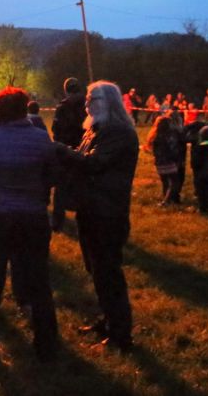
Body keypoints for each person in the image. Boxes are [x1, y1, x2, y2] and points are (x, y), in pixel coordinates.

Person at [0, 87, 60, 364]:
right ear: (25, 109)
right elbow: (53, 176)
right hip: (33, 218)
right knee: (39, 283)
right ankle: (46, 346)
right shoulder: (42, 139)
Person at [55, 81, 138, 352]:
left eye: (94, 99)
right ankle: (108, 320)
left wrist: (60, 151)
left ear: (110, 101)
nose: (88, 104)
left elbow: (94, 163)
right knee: (96, 269)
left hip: (108, 212)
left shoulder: (119, 132)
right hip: (90, 209)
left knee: (108, 272)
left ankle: (121, 334)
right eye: (88, 99)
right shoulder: (94, 129)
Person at [50, 77, 86, 231]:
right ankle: (83, 221)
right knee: (82, 186)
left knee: (61, 187)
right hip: (84, 150)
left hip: (65, 152)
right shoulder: (87, 105)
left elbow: (55, 129)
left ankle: (58, 222)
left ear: (66, 90)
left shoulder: (63, 107)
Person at [145, 115, 184, 205]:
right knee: (175, 182)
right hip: (169, 162)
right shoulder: (169, 136)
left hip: (159, 163)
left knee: (165, 182)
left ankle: (166, 197)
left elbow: (152, 150)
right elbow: (173, 149)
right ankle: (166, 201)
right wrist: (177, 159)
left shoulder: (155, 136)